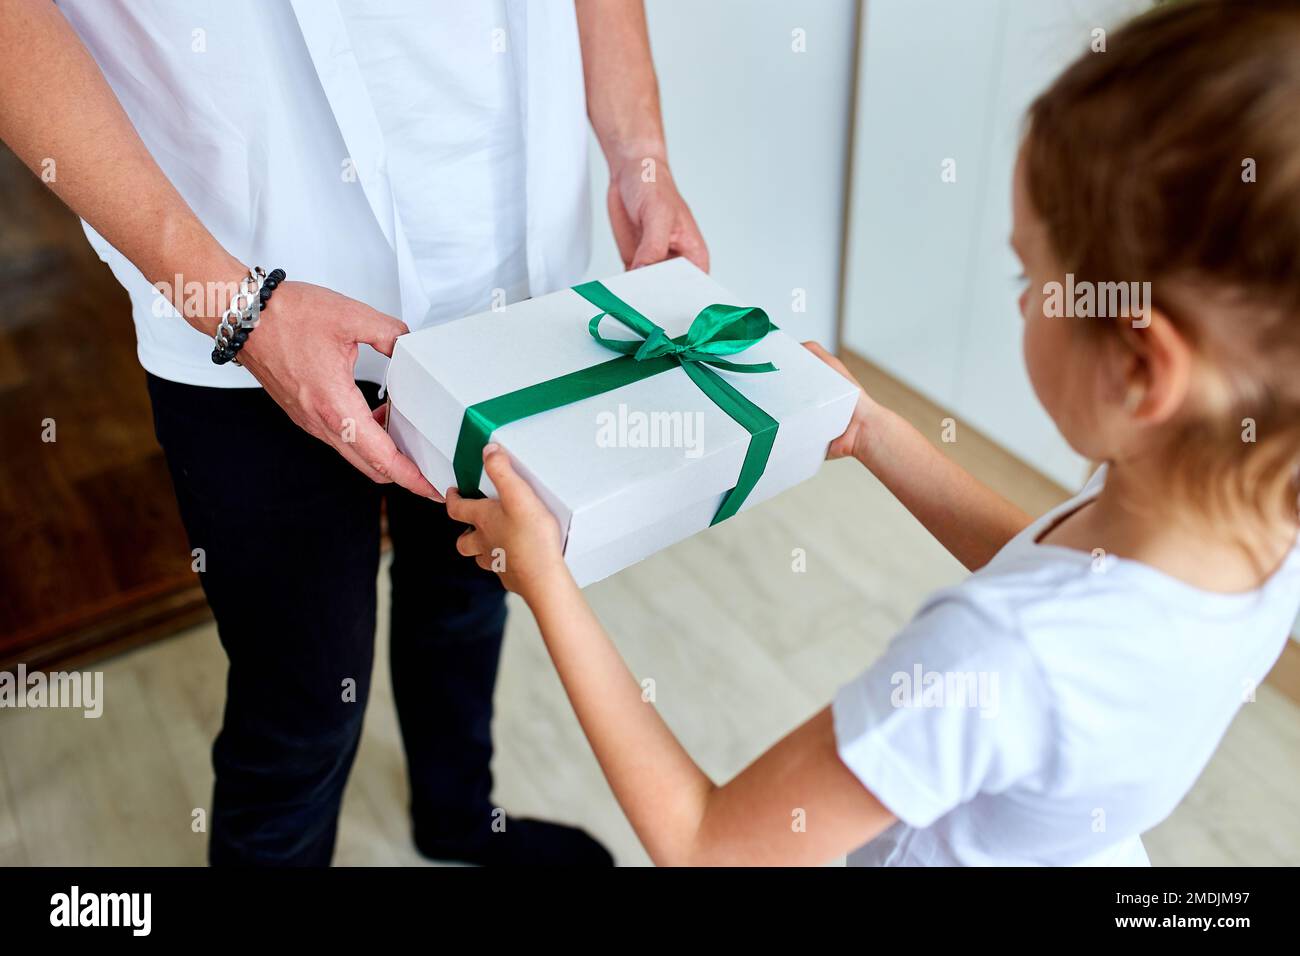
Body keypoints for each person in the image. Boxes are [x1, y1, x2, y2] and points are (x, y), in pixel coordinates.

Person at [445, 0, 1300, 865]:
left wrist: (546, 580)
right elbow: (1064, 570)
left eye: (1031, 274)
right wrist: (876, 431)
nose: (1017, 300)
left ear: (1141, 369)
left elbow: (706, 846)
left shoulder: (997, 658)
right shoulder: (1255, 516)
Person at [0, 0, 706, 866]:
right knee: (302, 706)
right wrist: (235, 303)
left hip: (506, 277)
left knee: (470, 595)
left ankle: (455, 817)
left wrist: (642, 156)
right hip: (245, 275)